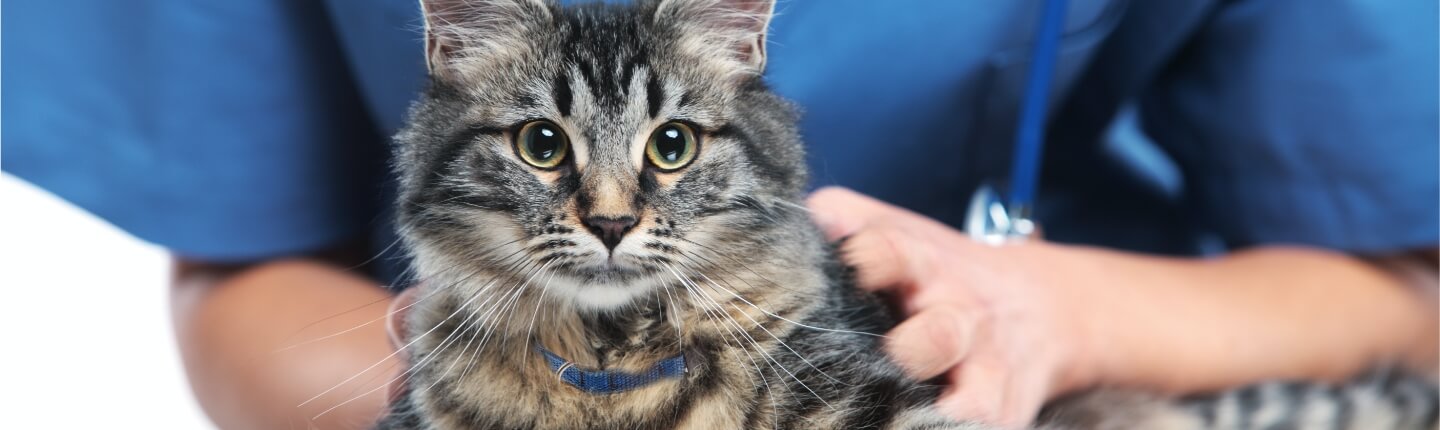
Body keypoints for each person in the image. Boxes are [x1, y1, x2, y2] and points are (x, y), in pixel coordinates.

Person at [6, 0, 1436, 428]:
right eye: (556, 154)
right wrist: (465, 401)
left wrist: (1054, 313)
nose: (611, 208)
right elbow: (237, 256)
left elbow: (1412, 290)